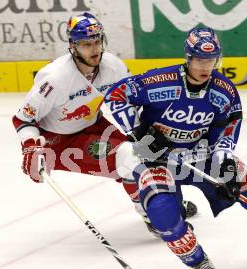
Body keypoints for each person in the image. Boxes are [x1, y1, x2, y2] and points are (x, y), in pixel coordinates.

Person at [104, 27, 247, 269]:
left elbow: (229, 125)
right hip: (156, 156)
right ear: (188, 58)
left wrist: (225, 161)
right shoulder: (159, 81)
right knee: (161, 210)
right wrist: (140, 132)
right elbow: (115, 95)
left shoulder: (224, 90)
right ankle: (196, 259)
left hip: (200, 154)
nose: (205, 66)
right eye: (199, 60)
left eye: (211, 60)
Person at [12, 12, 197, 236]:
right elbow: (22, 118)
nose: (94, 49)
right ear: (72, 46)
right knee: (130, 158)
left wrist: (148, 126)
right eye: (86, 44)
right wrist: (31, 145)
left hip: (94, 124)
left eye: (97, 41)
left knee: (146, 154)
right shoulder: (55, 79)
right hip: (59, 141)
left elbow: (133, 99)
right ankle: (156, 217)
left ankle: (162, 207)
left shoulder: (113, 66)